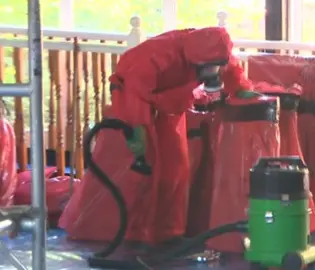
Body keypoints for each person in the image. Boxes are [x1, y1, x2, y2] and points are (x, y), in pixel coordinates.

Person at [59, 27, 253, 246]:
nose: (211, 72)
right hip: (132, 107)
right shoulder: (155, 57)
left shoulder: (214, 49)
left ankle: (166, 233)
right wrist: (137, 130)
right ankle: (118, 233)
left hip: (168, 110)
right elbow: (133, 93)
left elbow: (229, 66)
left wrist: (240, 87)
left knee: (175, 170)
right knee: (134, 172)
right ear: (192, 60)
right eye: (205, 68)